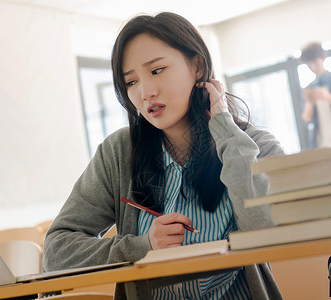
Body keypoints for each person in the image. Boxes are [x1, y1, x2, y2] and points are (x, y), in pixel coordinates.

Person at [43, 12, 284, 299]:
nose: (146, 92)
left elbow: (270, 226)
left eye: (157, 70)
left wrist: (224, 130)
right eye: (131, 82)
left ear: (197, 66)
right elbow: (56, 253)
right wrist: (143, 246)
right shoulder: (119, 152)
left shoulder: (253, 144)